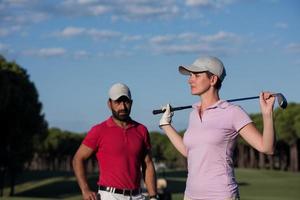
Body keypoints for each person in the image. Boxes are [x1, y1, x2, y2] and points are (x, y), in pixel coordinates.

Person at [159, 56, 276, 200]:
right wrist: (166, 125)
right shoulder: (193, 114)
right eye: (190, 76)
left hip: (221, 195)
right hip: (190, 195)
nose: (190, 80)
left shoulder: (233, 112)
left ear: (213, 79)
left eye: (196, 75)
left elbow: (267, 147)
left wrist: (267, 113)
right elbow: (189, 151)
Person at [73, 83, 158, 200]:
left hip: (138, 196)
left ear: (131, 103)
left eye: (126, 102)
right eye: (117, 102)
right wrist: (85, 189)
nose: (122, 107)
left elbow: (147, 164)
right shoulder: (99, 130)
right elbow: (78, 158)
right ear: (109, 104)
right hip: (110, 195)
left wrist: (153, 196)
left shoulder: (141, 130)